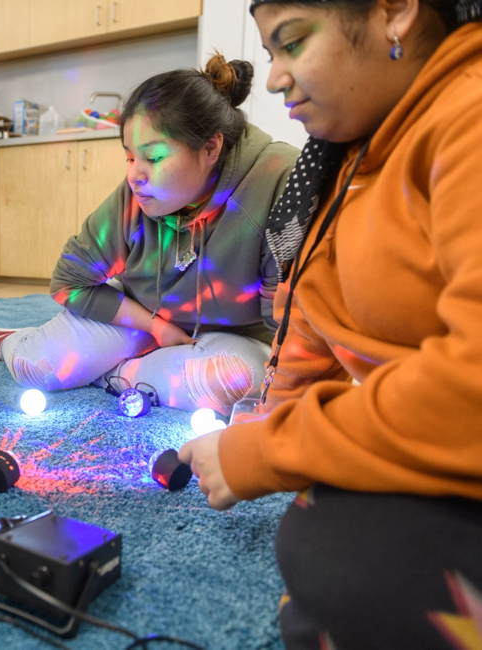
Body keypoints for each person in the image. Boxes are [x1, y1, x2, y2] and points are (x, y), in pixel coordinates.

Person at [179, 1, 482, 648]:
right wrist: (268, 425)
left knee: (344, 560)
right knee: (317, 534)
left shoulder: (468, 116)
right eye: (268, 55)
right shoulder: (339, 164)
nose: (275, 78)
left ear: (394, 13)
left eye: (291, 44)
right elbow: (310, 319)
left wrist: (272, 449)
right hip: (434, 439)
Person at [0, 56, 299, 415]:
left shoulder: (277, 180)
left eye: (153, 157)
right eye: (130, 157)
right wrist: (156, 328)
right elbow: (70, 280)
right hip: (147, 320)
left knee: (232, 383)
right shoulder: (137, 195)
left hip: (236, 338)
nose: (136, 175)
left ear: (211, 148)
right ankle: (14, 341)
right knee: (35, 368)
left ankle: (108, 373)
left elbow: (290, 323)